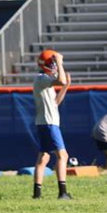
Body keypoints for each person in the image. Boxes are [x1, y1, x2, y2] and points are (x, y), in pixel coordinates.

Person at [32, 49, 72, 200]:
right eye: (53, 64)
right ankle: (62, 192)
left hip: (46, 122)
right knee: (63, 155)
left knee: (44, 158)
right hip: (49, 123)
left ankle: (37, 193)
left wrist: (66, 87)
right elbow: (60, 79)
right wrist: (60, 63)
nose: (55, 66)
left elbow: (54, 103)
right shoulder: (41, 78)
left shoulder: (44, 81)